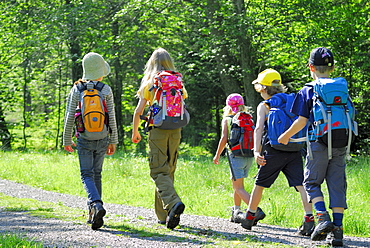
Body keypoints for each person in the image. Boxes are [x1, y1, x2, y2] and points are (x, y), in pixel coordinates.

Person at [278, 47, 347, 246]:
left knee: (311, 182)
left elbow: (301, 121)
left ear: (311, 67)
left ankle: (322, 218)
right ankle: (338, 233)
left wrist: (285, 136)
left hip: (319, 143)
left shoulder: (309, 89)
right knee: (337, 185)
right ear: (332, 68)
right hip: (341, 142)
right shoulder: (341, 87)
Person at [242, 69, 313, 234]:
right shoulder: (294, 100)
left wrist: (256, 152)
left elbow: (259, 128)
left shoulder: (265, 105)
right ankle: (309, 218)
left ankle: (250, 216)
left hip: (273, 151)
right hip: (294, 148)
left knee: (259, 184)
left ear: (263, 89)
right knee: (301, 185)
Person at [131, 48, 186, 230]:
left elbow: (139, 111)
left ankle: (173, 202)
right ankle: (164, 216)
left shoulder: (150, 83)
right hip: (176, 128)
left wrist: (135, 132)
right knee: (168, 169)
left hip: (158, 130)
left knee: (158, 171)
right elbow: (182, 101)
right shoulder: (177, 82)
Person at [63, 52, 118, 230]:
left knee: (87, 174)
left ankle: (95, 205)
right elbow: (112, 117)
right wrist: (113, 140)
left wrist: (66, 139)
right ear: (100, 71)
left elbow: (70, 115)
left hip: (84, 138)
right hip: (102, 137)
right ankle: (94, 213)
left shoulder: (77, 89)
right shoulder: (106, 89)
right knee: (97, 174)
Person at [213, 93, 265, 225]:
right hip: (248, 156)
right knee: (239, 186)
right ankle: (236, 211)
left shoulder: (228, 120)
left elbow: (224, 139)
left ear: (228, 106)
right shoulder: (249, 118)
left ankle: (255, 211)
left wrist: (217, 154)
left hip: (236, 156)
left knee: (237, 187)